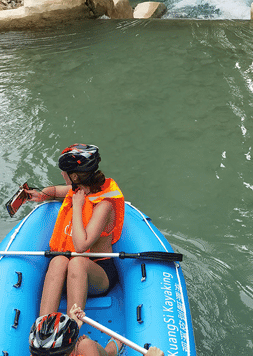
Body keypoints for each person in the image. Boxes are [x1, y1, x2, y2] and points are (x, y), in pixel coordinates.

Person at [26, 144, 125, 318]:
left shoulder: (104, 206)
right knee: (57, 261)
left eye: (64, 172)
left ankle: (73, 327)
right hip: (71, 267)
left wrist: (78, 207)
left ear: (74, 176)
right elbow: (56, 191)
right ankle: (43, 325)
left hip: (97, 272)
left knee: (77, 262)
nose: (62, 175)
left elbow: (81, 245)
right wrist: (41, 195)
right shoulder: (77, 189)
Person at [28, 305, 166, 356]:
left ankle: (109, 353)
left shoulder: (38, 352)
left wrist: (73, 325)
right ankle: (110, 353)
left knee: (85, 344)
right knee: (86, 345)